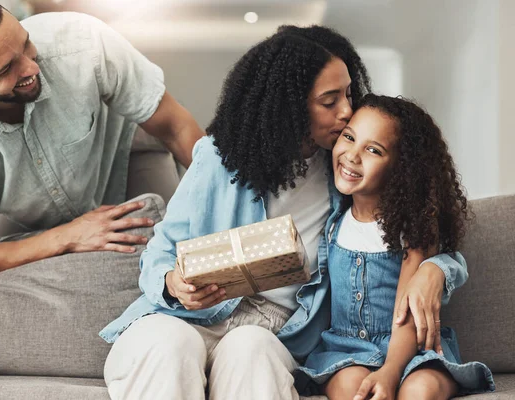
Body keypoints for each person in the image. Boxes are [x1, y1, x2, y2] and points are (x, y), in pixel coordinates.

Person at [99, 25, 468, 400]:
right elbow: (160, 252)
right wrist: (172, 284)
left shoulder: (347, 171)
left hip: (273, 329)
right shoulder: (217, 157)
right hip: (185, 318)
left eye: (348, 94)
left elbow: (418, 222)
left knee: (251, 352)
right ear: (290, 106)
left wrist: (435, 269)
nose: (347, 111)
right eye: (329, 101)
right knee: (169, 345)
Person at [0, 0, 204, 276]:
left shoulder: (83, 43)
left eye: (25, 44)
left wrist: (230, 200)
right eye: (7, 69)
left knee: (177, 251)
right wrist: (67, 237)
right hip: (27, 218)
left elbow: (175, 127)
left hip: (124, 155)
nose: (31, 68)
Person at [295, 94, 494, 399]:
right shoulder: (333, 220)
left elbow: (407, 312)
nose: (352, 155)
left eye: (373, 150)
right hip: (346, 350)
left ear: (401, 169)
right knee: (352, 387)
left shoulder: (412, 229)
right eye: (349, 137)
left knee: (420, 388)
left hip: (410, 350)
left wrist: (390, 371)